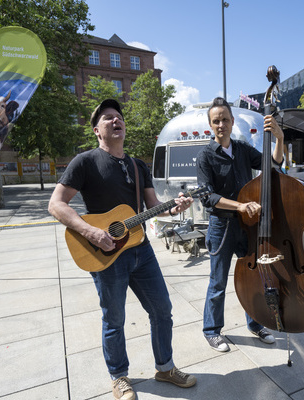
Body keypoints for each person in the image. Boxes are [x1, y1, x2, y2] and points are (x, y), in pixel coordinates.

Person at [48, 99, 196, 400]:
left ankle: (165, 367)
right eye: (108, 118)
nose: (116, 121)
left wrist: (176, 207)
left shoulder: (137, 165)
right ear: (96, 130)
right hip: (105, 255)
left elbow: (154, 208)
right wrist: (90, 231)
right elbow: (56, 204)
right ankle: (119, 377)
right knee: (114, 319)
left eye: (119, 117)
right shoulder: (85, 162)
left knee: (162, 310)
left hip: (141, 251)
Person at [196, 97, 283, 352]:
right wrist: (240, 206)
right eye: (216, 121)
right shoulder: (205, 156)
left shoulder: (243, 149)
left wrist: (279, 137)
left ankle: (256, 324)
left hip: (247, 225)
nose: (221, 124)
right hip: (221, 227)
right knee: (218, 281)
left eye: (224, 119)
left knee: (254, 277)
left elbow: (273, 164)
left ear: (232, 121)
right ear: (210, 126)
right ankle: (212, 331)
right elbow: (207, 197)